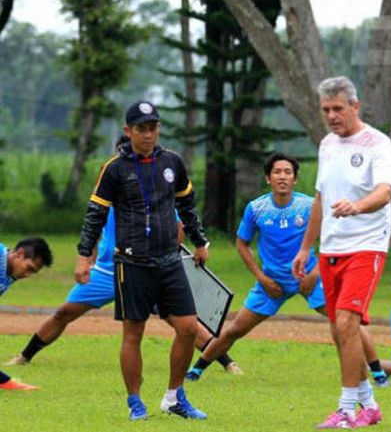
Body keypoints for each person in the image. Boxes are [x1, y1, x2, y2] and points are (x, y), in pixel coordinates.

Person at [6, 137, 240, 375]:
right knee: (64, 312)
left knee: (183, 322)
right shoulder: (110, 184)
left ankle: (227, 362)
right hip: (106, 271)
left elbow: (178, 226)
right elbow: (94, 223)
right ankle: (25, 356)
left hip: (146, 268)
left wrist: (168, 255)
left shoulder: (153, 193)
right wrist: (87, 259)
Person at [186, 153, 388, 386]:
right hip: (273, 282)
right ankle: (196, 370)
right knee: (235, 329)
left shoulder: (309, 205)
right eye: (277, 172)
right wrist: (262, 278)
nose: (282, 177)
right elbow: (242, 245)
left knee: (346, 321)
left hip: (309, 277)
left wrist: (315, 273)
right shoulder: (257, 208)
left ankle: (379, 373)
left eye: (287, 172)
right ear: (268, 178)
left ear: (295, 179)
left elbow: (334, 238)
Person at [74, 101, 209, 420]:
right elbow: (96, 214)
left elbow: (187, 205)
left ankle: (174, 397)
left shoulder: (172, 162)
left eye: (153, 128)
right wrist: (84, 255)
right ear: (128, 131)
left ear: (158, 128)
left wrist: (200, 241)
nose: (148, 134)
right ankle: (135, 401)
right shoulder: (115, 169)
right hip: (132, 263)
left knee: (189, 327)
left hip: (169, 260)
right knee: (134, 333)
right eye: (141, 129)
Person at [292, 76, 391, 429]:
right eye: (326, 110)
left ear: (355, 106)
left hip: (366, 246)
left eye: (338, 108)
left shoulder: (378, 144)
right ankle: (369, 405)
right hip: (330, 250)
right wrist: (306, 248)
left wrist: (357, 207)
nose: (332, 116)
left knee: (347, 323)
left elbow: (384, 192)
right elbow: (320, 198)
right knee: (339, 331)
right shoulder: (326, 144)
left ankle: (346, 410)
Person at [0, 237, 53, 390]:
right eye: (29, 268)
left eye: (33, 272)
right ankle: (5, 382)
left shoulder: (9, 271)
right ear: (19, 254)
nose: (27, 275)